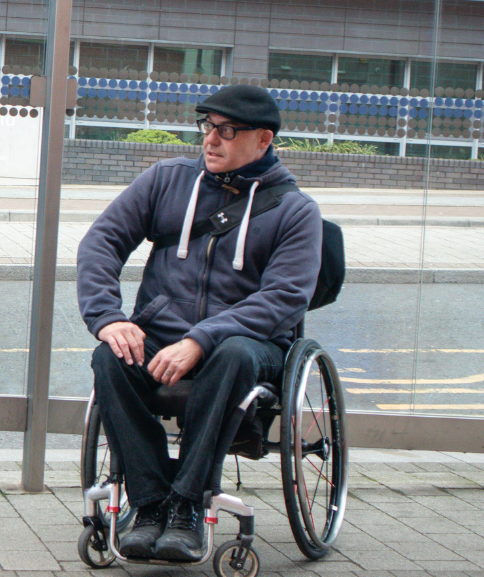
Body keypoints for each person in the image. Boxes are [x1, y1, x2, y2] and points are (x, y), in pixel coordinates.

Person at [76, 85, 323, 562]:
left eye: (227, 131)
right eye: (207, 126)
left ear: (263, 139)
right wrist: (108, 317)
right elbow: (101, 242)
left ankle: (187, 504)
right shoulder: (166, 180)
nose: (211, 140)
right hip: (163, 336)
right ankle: (149, 504)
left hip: (251, 346)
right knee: (112, 356)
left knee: (230, 353)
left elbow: (285, 297)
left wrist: (200, 339)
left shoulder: (296, 211)